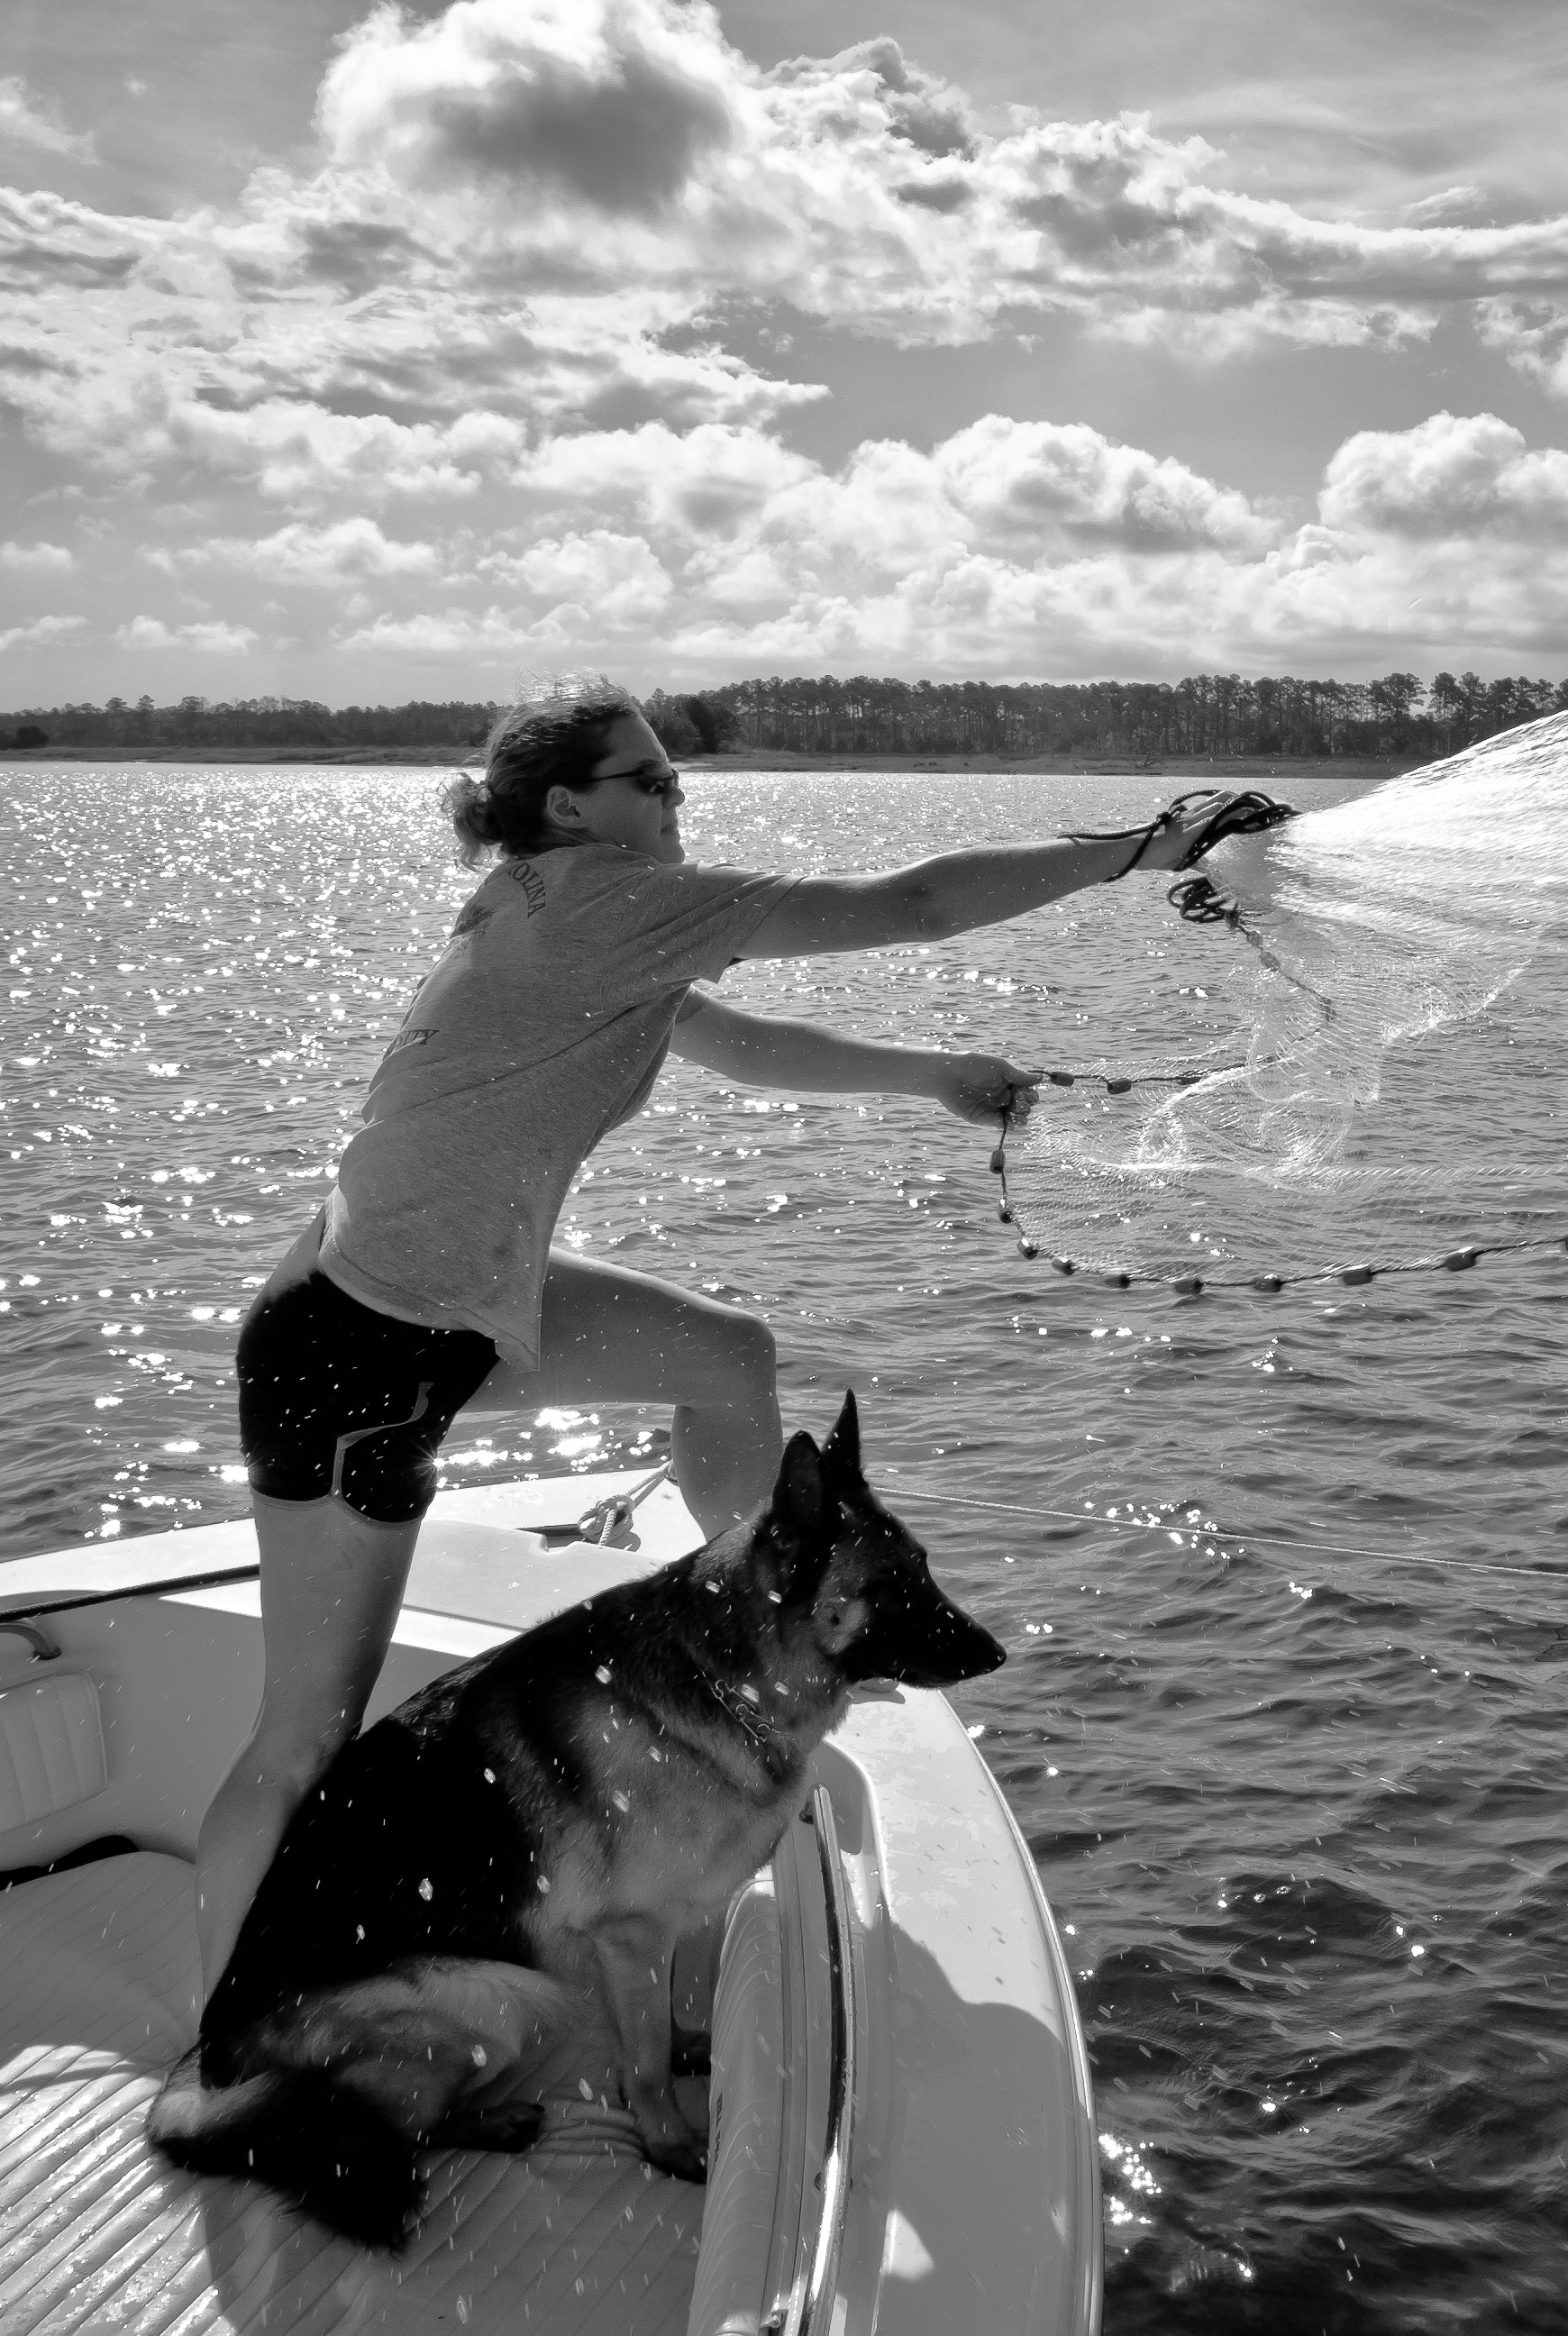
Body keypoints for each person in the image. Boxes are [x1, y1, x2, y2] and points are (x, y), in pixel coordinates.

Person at [195, 676, 1241, 1988]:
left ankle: (768, 1652)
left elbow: (742, 1048)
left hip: (445, 1302)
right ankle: (221, 2032)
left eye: (677, 778)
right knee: (306, 1739)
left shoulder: (563, 913)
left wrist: (929, 1078)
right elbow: (909, 905)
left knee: (723, 1360)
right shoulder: (601, 902)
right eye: (652, 783)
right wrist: (1142, 848)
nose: (679, 799)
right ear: (569, 806)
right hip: (356, 1352)